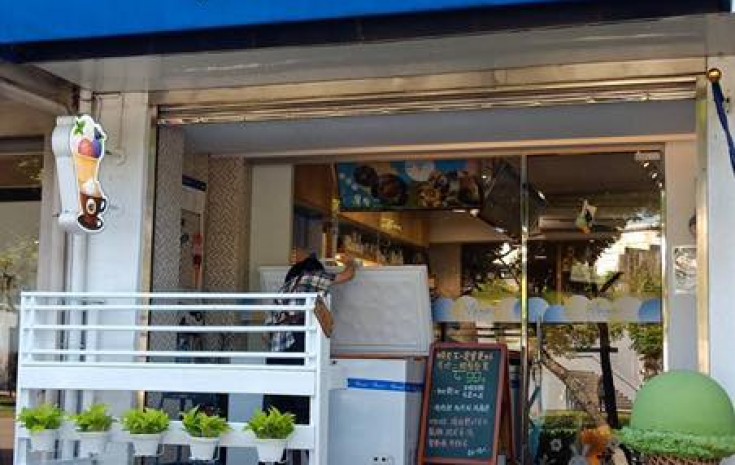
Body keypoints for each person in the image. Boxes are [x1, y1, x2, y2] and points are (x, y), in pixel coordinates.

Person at [262, 250, 357, 465]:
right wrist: (351, 263)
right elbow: (347, 276)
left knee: (276, 412)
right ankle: (308, 458)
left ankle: (275, 459)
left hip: (276, 356)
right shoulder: (308, 277)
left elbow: (265, 335)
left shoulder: (282, 291)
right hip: (297, 351)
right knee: (305, 409)